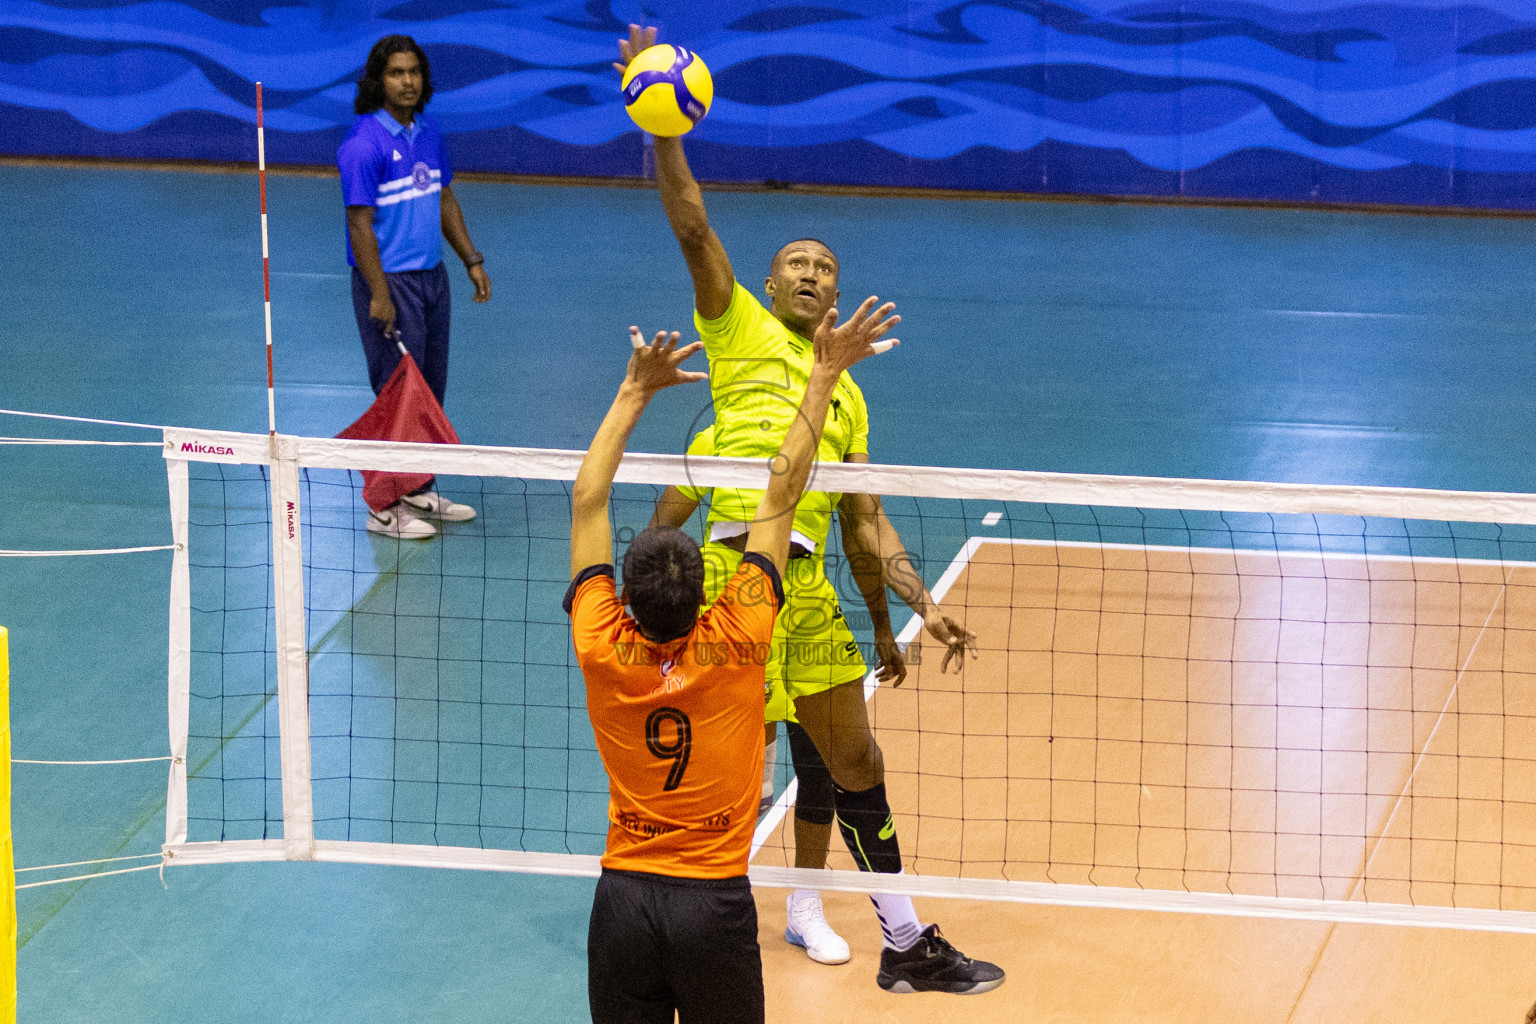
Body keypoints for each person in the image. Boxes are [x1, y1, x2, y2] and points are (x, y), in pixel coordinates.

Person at [619, 22, 1004, 996]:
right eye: (794, 259)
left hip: (812, 598)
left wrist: (905, 610)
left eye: (825, 267)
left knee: (856, 756)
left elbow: (865, 524)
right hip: (726, 584)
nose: (809, 272)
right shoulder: (736, 325)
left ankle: (905, 940)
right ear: (768, 281)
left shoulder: (851, 394)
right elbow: (694, 225)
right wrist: (663, 125)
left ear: (838, 295)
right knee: (715, 772)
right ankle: (670, 917)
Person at [566, 302, 898, 1024]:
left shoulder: (600, 641)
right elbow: (781, 491)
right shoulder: (741, 639)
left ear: (622, 595)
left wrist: (633, 390)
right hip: (710, 903)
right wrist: (823, 378)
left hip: (621, 898)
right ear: (707, 590)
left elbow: (587, 499)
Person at [338, 34, 491, 539]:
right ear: (378, 82)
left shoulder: (429, 135)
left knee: (427, 390)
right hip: (390, 283)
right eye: (396, 73)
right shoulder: (363, 145)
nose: (407, 81)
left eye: (414, 72)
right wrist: (379, 294)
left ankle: (418, 486)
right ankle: (382, 506)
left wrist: (470, 259)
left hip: (432, 279)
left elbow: (444, 200)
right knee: (397, 392)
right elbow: (360, 225)